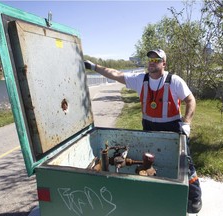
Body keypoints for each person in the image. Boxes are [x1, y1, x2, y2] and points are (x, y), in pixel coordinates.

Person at [84, 49, 202, 213]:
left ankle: (195, 197)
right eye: (150, 60)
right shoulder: (141, 80)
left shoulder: (174, 81)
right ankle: (160, 191)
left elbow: (191, 100)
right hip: (149, 129)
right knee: (151, 161)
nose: (152, 63)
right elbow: (116, 74)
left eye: (156, 60)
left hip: (173, 129)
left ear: (164, 63)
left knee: (185, 164)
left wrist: (186, 123)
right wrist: (93, 66)